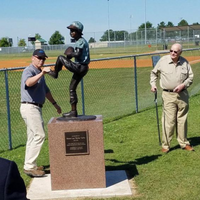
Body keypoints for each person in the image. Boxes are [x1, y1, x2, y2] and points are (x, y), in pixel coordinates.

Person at [20, 49, 62, 177]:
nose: (41, 60)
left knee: (32, 137)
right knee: (39, 135)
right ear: (33, 58)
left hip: (35, 107)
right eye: (39, 58)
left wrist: (55, 104)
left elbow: (46, 91)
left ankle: (30, 165)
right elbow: (28, 83)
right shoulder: (29, 70)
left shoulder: (39, 71)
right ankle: (29, 166)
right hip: (29, 107)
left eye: (43, 58)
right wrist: (42, 73)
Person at [150, 43, 194, 153]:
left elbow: (191, 77)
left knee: (182, 120)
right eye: (171, 51)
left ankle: (184, 143)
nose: (173, 53)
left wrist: (183, 85)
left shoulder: (185, 62)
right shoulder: (163, 61)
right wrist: (153, 84)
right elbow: (154, 73)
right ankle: (166, 145)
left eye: (175, 52)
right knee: (169, 121)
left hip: (182, 95)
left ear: (180, 52)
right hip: (168, 95)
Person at [49, 21, 90, 118]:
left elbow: (78, 54)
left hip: (80, 67)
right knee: (72, 89)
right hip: (83, 67)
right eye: (70, 30)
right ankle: (73, 111)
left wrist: (69, 54)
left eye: (73, 30)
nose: (71, 32)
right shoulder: (80, 41)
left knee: (60, 58)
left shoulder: (80, 41)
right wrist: (70, 55)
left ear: (79, 31)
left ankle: (55, 73)